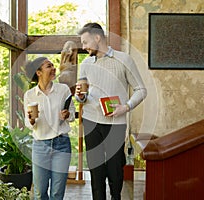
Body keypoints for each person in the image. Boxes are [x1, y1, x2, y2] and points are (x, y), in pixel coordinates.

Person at [75, 22, 147, 200]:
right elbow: (82, 95)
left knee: (115, 169)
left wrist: (126, 107)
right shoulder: (85, 64)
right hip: (91, 121)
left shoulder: (124, 60)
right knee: (95, 169)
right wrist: (80, 96)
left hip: (116, 124)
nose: (83, 47)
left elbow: (141, 90)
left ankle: (116, 197)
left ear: (97, 38)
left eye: (85, 42)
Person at [24, 57, 75, 200]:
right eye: (48, 66)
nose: (53, 68)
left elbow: (71, 114)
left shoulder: (63, 89)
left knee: (57, 193)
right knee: (40, 193)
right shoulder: (30, 95)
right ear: (38, 72)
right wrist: (32, 120)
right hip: (40, 146)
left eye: (53, 65)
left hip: (62, 145)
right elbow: (29, 124)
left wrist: (67, 115)